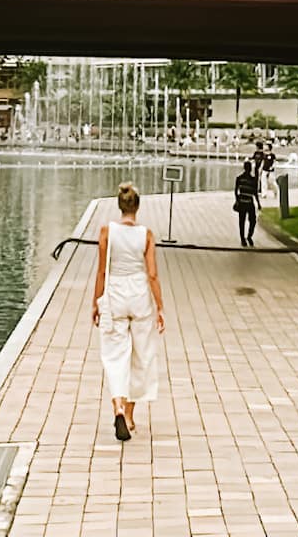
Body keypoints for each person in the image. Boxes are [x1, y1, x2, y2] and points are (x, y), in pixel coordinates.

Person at [92, 182, 163, 441]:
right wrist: (160, 306)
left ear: (120, 206)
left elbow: (101, 270)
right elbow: (152, 274)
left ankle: (118, 407)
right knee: (141, 356)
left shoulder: (106, 231)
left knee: (114, 355)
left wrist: (96, 302)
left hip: (115, 295)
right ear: (138, 207)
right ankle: (131, 416)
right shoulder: (146, 235)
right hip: (140, 297)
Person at [233, 158, 259, 247]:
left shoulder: (242, 179)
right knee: (248, 220)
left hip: (245, 201)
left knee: (247, 221)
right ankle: (246, 237)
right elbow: (255, 193)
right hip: (246, 201)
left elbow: (236, 191)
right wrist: (258, 203)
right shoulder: (247, 179)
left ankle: (245, 237)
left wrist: (237, 199)